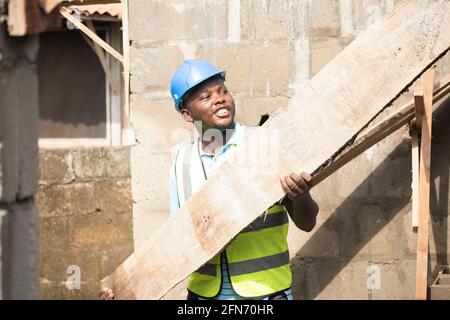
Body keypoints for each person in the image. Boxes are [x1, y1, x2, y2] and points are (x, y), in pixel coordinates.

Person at [99, 60, 319, 300]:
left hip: (266, 292)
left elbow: (307, 222)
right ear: (187, 114)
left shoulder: (263, 144)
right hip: (203, 296)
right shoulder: (182, 163)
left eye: (223, 91)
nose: (219, 99)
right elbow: (178, 241)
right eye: (206, 97)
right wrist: (124, 288)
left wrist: (301, 196)